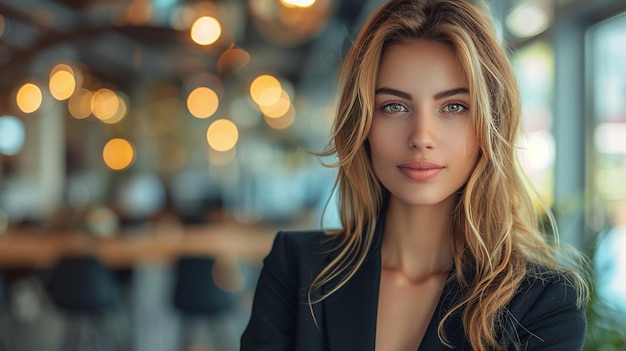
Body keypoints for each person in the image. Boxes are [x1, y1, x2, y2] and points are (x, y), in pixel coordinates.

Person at [240, 0, 590, 350]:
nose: (421, 136)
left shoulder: (544, 302)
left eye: (453, 107)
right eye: (394, 106)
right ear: (361, 123)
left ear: (490, 123)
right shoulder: (297, 269)